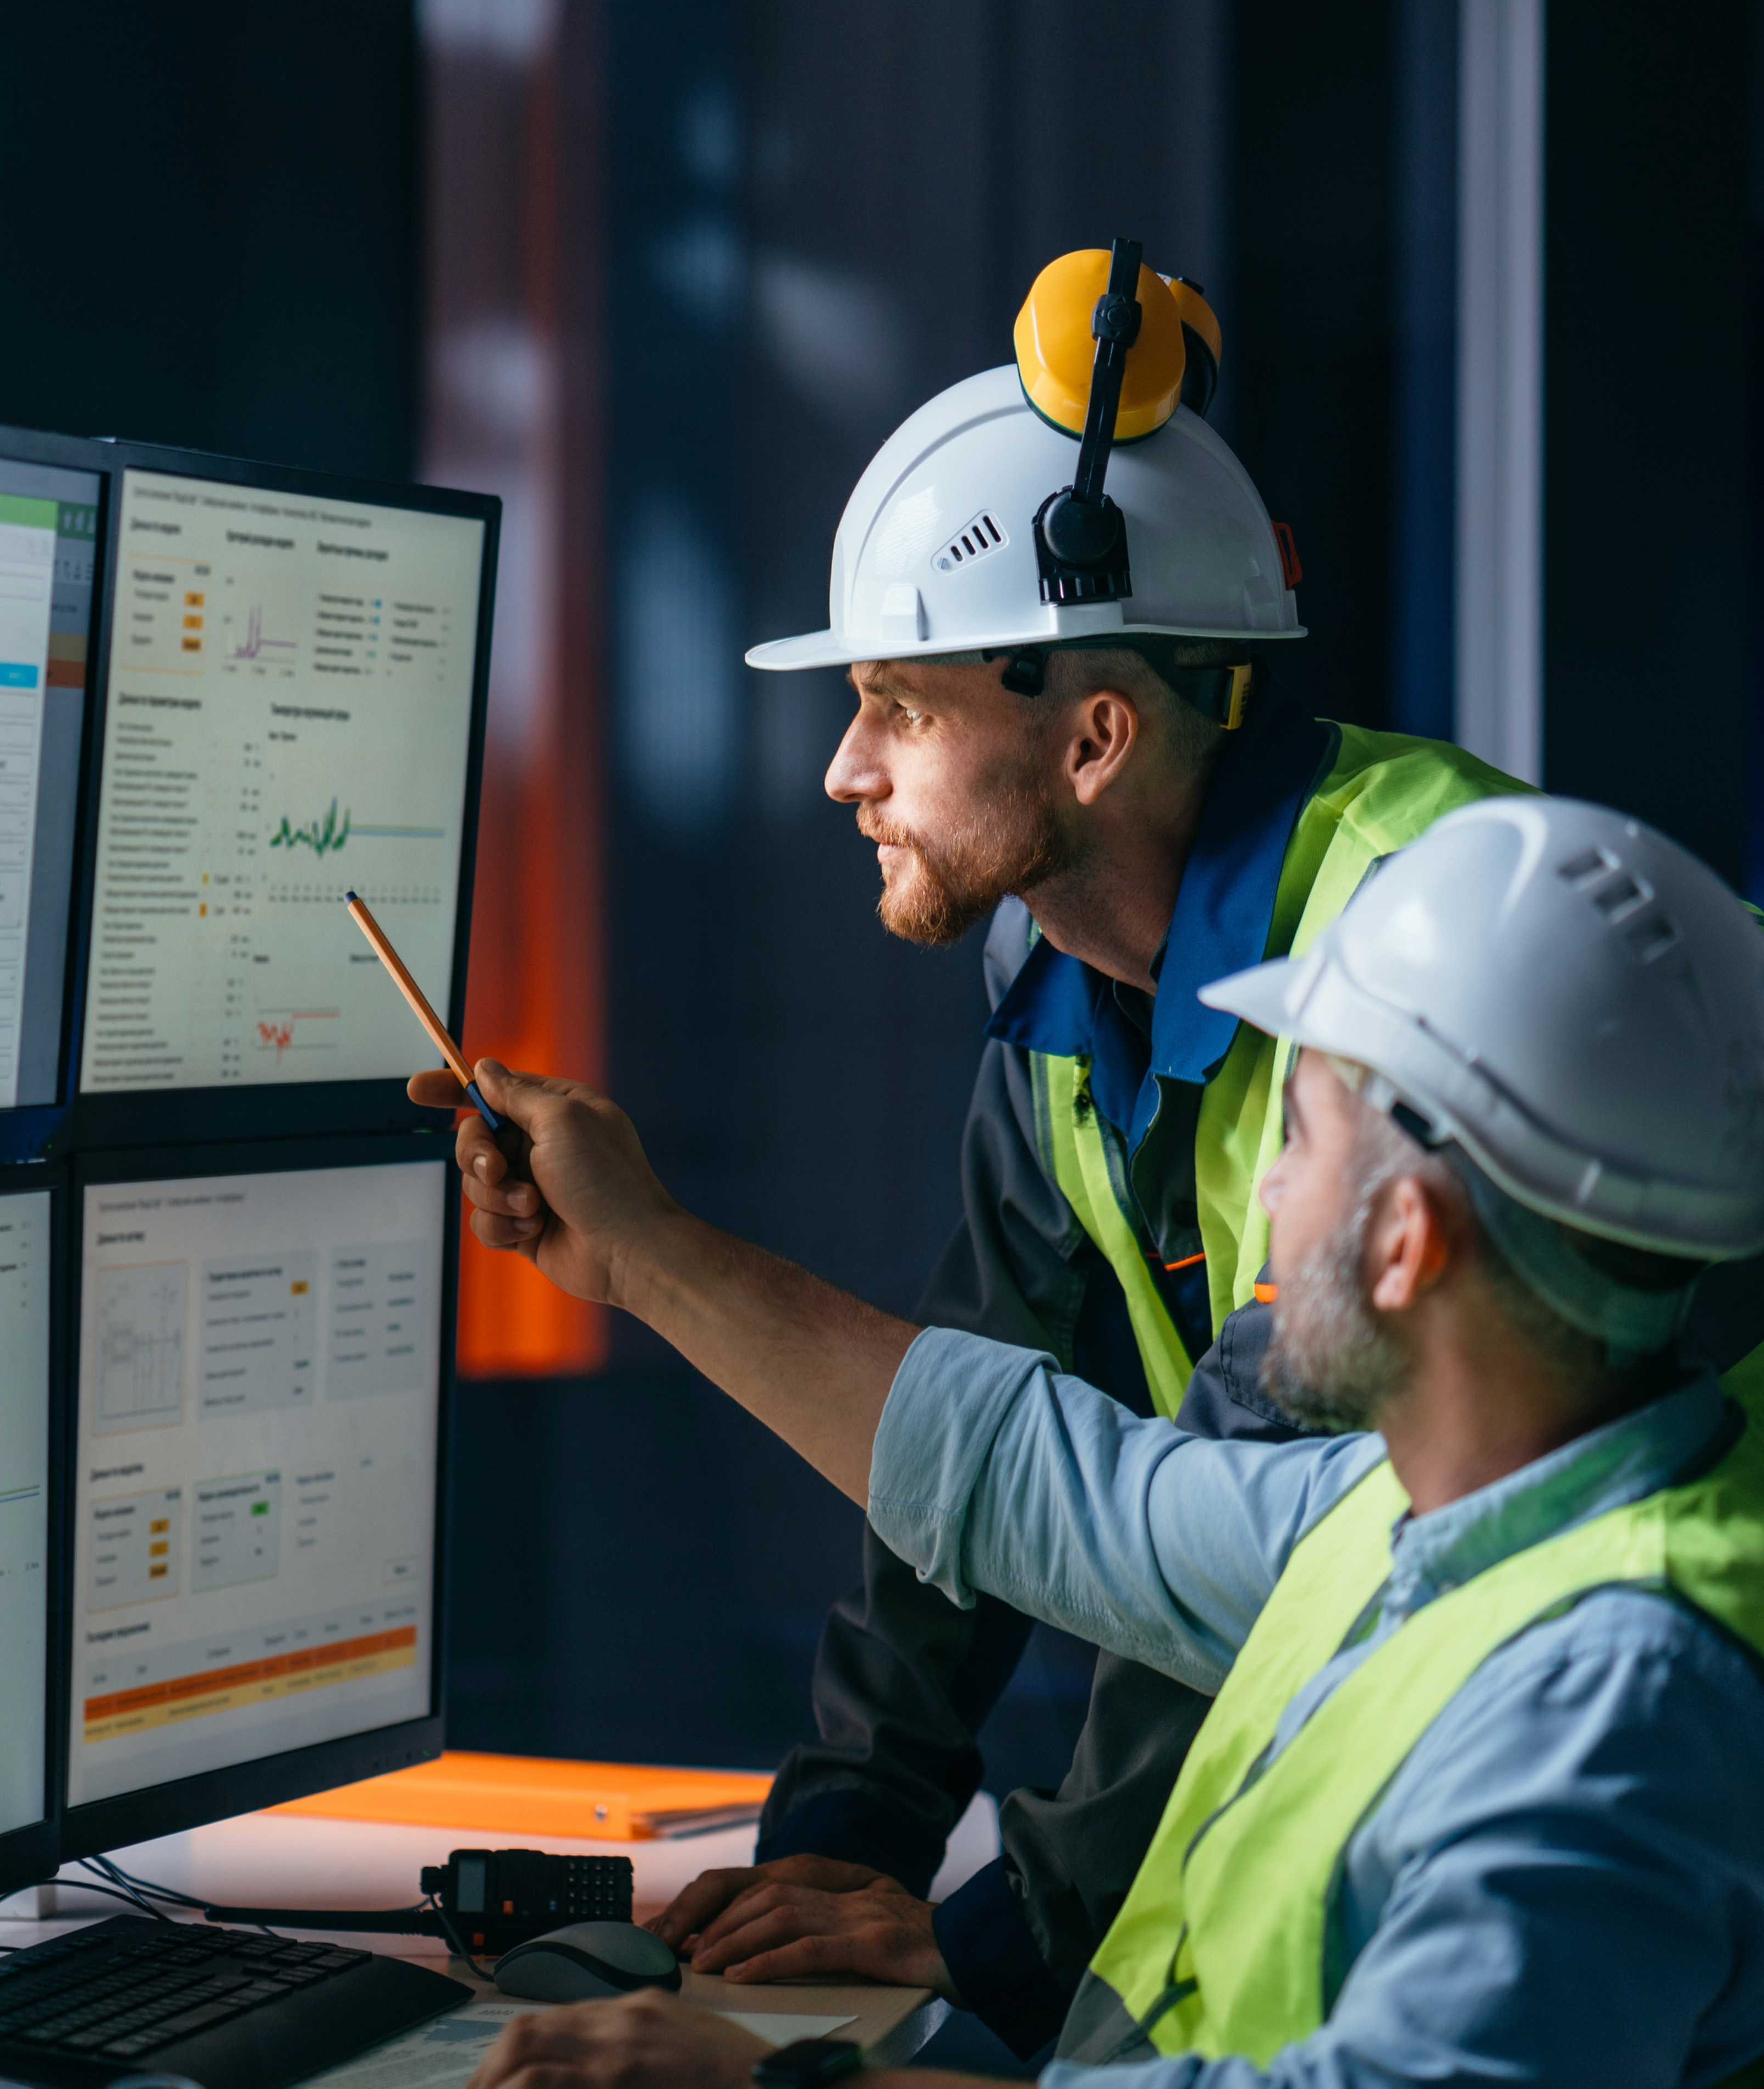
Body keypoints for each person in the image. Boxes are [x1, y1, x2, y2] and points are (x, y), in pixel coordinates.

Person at [443, 794, 1764, 2089]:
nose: (1260, 1189)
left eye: (1294, 1137)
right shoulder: (1417, 1510)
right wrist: (640, 1252)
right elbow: (1044, 1483)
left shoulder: (1616, 1698)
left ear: (1405, 1242)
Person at [609, 243, 1534, 2055]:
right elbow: (972, 1422)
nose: (841, 771)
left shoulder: (1412, 962)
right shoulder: (1066, 971)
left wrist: (996, 1934)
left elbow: (1237, 1540)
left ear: (1095, 734)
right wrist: (838, 1846)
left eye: (899, 706)